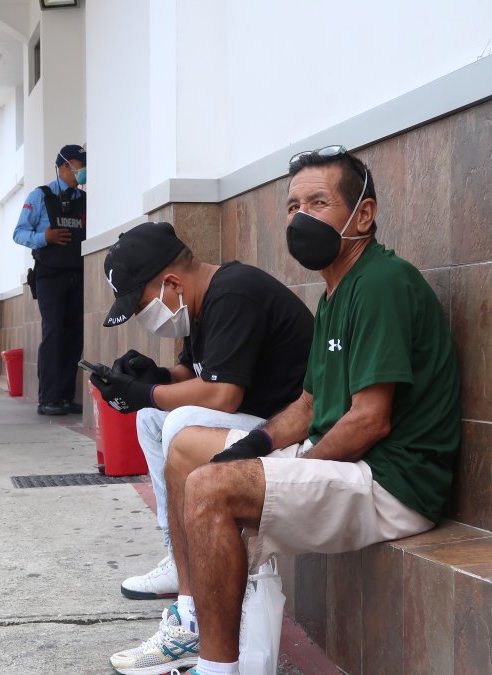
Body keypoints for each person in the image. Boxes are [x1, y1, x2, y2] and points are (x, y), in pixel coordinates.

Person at [106, 146, 461, 675]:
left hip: (393, 483)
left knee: (208, 490)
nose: (301, 218)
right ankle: (190, 617)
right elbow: (309, 404)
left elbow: (370, 420)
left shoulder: (382, 284)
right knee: (187, 455)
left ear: (363, 214)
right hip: (352, 463)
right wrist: (254, 449)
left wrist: (291, 463)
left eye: (318, 203)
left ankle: (216, 667)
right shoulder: (337, 291)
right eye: (293, 207)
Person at [89, 221, 313, 601]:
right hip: (255, 419)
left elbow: (222, 393)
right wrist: (153, 375)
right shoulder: (201, 303)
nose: (144, 316)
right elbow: (195, 373)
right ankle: (179, 557)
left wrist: (146, 391)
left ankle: (193, 562)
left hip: (289, 428)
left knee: (177, 420)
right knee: (151, 416)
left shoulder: (234, 294)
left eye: (142, 305)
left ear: (172, 284)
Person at [13, 143, 86, 416]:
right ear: (66, 166)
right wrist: (46, 237)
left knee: (74, 336)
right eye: (80, 165)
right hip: (50, 276)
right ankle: (49, 398)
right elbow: (19, 233)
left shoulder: (84, 199)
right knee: (54, 333)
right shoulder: (40, 196)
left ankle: (66, 397)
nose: (83, 171)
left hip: (77, 275)